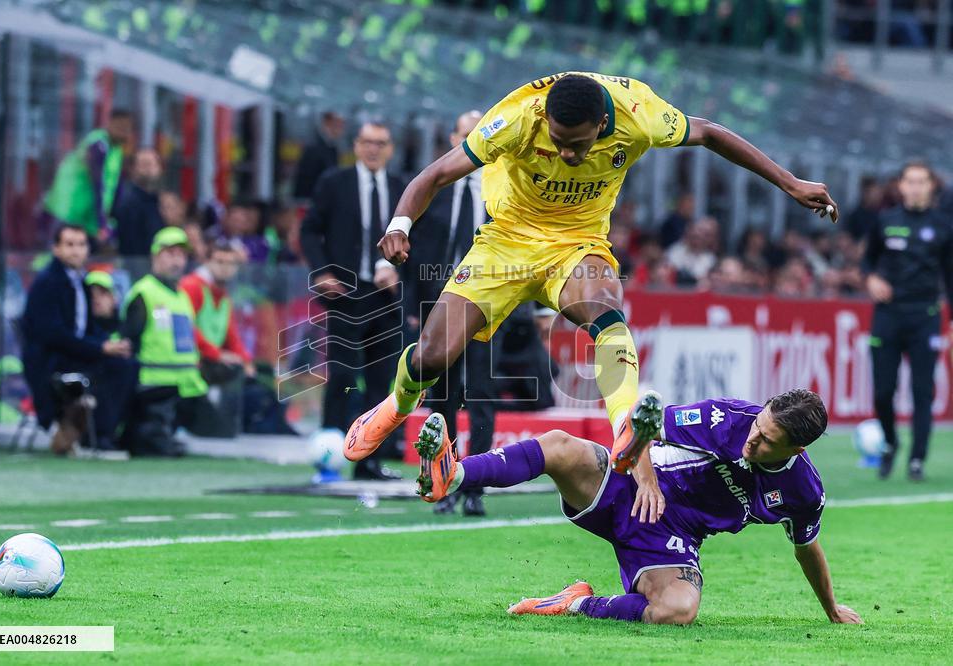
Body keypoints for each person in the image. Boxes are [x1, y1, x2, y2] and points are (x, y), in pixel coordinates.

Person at [350, 72, 839, 480]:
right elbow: (434, 175)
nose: (567, 155)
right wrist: (399, 223)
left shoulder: (638, 113)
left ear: (603, 123)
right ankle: (394, 405)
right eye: (559, 144)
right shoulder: (519, 116)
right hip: (506, 242)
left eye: (578, 145)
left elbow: (709, 132)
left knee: (605, 310)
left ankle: (626, 426)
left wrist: (789, 182)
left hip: (578, 243)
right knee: (433, 355)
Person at [413, 389, 863, 627]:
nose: (753, 438)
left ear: (797, 448)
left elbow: (807, 548)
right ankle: (453, 476)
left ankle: (575, 604)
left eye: (767, 441)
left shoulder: (803, 491)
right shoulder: (726, 419)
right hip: (629, 487)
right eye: (759, 425)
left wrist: (831, 607)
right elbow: (637, 425)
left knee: (679, 610)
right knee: (560, 447)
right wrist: (645, 476)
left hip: (671, 539)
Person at [300, 121, 406, 481]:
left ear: (390, 148)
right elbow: (309, 230)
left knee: (381, 382)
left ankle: (369, 462)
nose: (374, 148)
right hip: (345, 295)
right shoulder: (334, 182)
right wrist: (321, 272)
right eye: (367, 141)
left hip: (386, 299)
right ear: (356, 145)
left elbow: (416, 237)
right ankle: (328, 462)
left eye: (381, 142)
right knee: (343, 377)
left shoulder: (400, 187)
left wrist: (398, 272)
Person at [409, 110, 502, 515]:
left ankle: (475, 485)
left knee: (481, 392)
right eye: (467, 135)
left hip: (490, 305)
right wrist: (414, 306)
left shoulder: (505, 190)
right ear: (454, 138)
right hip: (441, 304)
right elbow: (415, 254)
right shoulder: (435, 187)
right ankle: (441, 481)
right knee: (442, 397)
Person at [863, 160, 953, 482]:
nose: (915, 187)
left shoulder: (944, 224)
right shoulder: (884, 220)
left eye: (921, 181)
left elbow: (950, 275)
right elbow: (867, 261)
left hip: (925, 317)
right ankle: (889, 442)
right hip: (887, 315)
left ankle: (917, 459)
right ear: (900, 186)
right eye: (909, 181)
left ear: (932, 186)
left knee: (922, 391)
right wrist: (871, 279)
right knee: (883, 391)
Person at [20, 225, 136, 453]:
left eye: (81, 245)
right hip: (51, 361)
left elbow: (87, 327)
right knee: (117, 368)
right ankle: (96, 437)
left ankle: (105, 433)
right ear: (56, 248)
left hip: (73, 354)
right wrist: (101, 349)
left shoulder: (80, 281)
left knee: (127, 363)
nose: (76, 251)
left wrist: (110, 344)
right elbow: (54, 335)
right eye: (69, 245)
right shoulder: (49, 283)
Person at [120, 227, 208, 456]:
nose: (177, 261)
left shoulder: (181, 296)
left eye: (181, 254)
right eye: (170, 254)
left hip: (186, 385)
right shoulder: (144, 293)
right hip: (154, 383)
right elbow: (129, 340)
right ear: (155, 256)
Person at [42, 110, 134, 246]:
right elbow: (97, 185)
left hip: (86, 213)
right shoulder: (98, 145)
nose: (123, 132)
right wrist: (101, 224)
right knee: (58, 252)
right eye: (120, 127)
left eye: (127, 128)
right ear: (109, 124)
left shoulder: (117, 149)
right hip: (67, 209)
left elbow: (114, 186)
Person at [179, 238, 255, 383]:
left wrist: (246, 361)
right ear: (207, 262)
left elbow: (231, 335)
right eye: (220, 262)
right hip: (195, 363)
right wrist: (217, 354)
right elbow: (187, 328)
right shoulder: (192, 286)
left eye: (231, 263)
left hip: (210, 359)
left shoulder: (224, 296)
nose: (225, 268)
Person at [114, 148, 166, 258]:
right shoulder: (127, 201)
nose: (149, 169)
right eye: (144, 164)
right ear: (132, 169)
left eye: (153, 164)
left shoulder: (158, 201)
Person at [294, 111, 346, 201]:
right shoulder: (313, 148)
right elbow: (305, 182)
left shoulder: (332, 148)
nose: (341, 129)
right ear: (327, 123)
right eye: (338, 125)